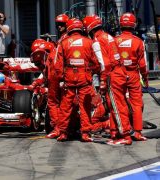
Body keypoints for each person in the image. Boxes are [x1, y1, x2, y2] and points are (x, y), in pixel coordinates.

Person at [83, 14, 133, 145]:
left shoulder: (97, 41)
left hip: (112, 75)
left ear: (89, 28)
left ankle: (125, 136)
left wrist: (103, 81)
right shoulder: (109, 36)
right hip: (120, 72)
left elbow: (104, 64)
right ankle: (116, 132)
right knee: (115, 105)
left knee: (116, 106)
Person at [55, 18, 105, 142]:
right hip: (85, 78)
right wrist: (92, 71)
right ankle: (85, 133)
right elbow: (96, 63)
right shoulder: (89, 42)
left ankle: (63, 133)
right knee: (85, 106)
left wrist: (61, 78)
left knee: (65, 107)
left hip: (69, 78)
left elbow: (58, 64)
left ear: (70, 28)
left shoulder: (63, 43)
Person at [115, 13, 148, 142]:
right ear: (134, 25)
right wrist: (145, 79)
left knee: (119, 103)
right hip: (133, 75)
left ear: (120, 24)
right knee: (137, 104)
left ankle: (120, 132)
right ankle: (138, 132)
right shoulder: (138, 41)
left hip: (118, 74)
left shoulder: (114, 40)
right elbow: (143, 64)